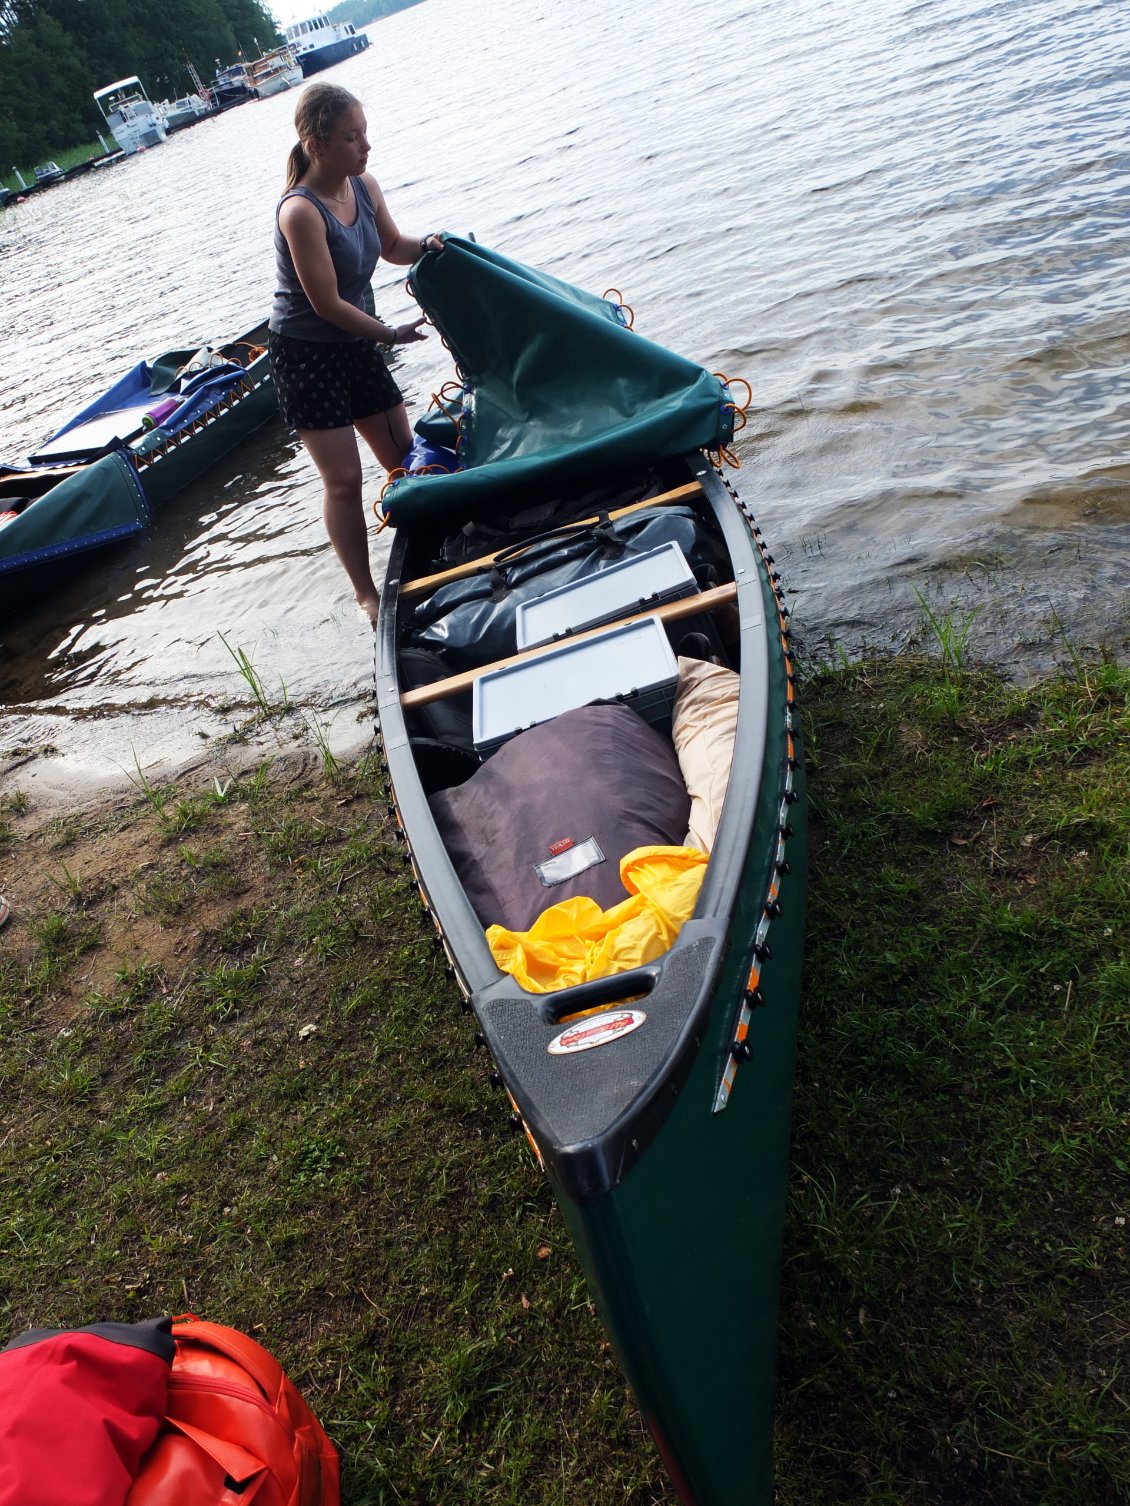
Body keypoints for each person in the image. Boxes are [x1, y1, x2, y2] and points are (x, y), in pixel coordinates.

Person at [268, 82, 441, 622]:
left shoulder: (363, 185)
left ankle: (433, 551)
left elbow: (392, 248)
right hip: (306, 355)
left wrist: (435, 245)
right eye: (352, 137)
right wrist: (389, 335)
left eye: (365, 133)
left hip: (358, 340)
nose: (366, 147)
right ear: (317, 142)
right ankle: (367, 593)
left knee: (403, 457)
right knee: (343, 481)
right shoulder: (300, 211)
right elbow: (324, 304)